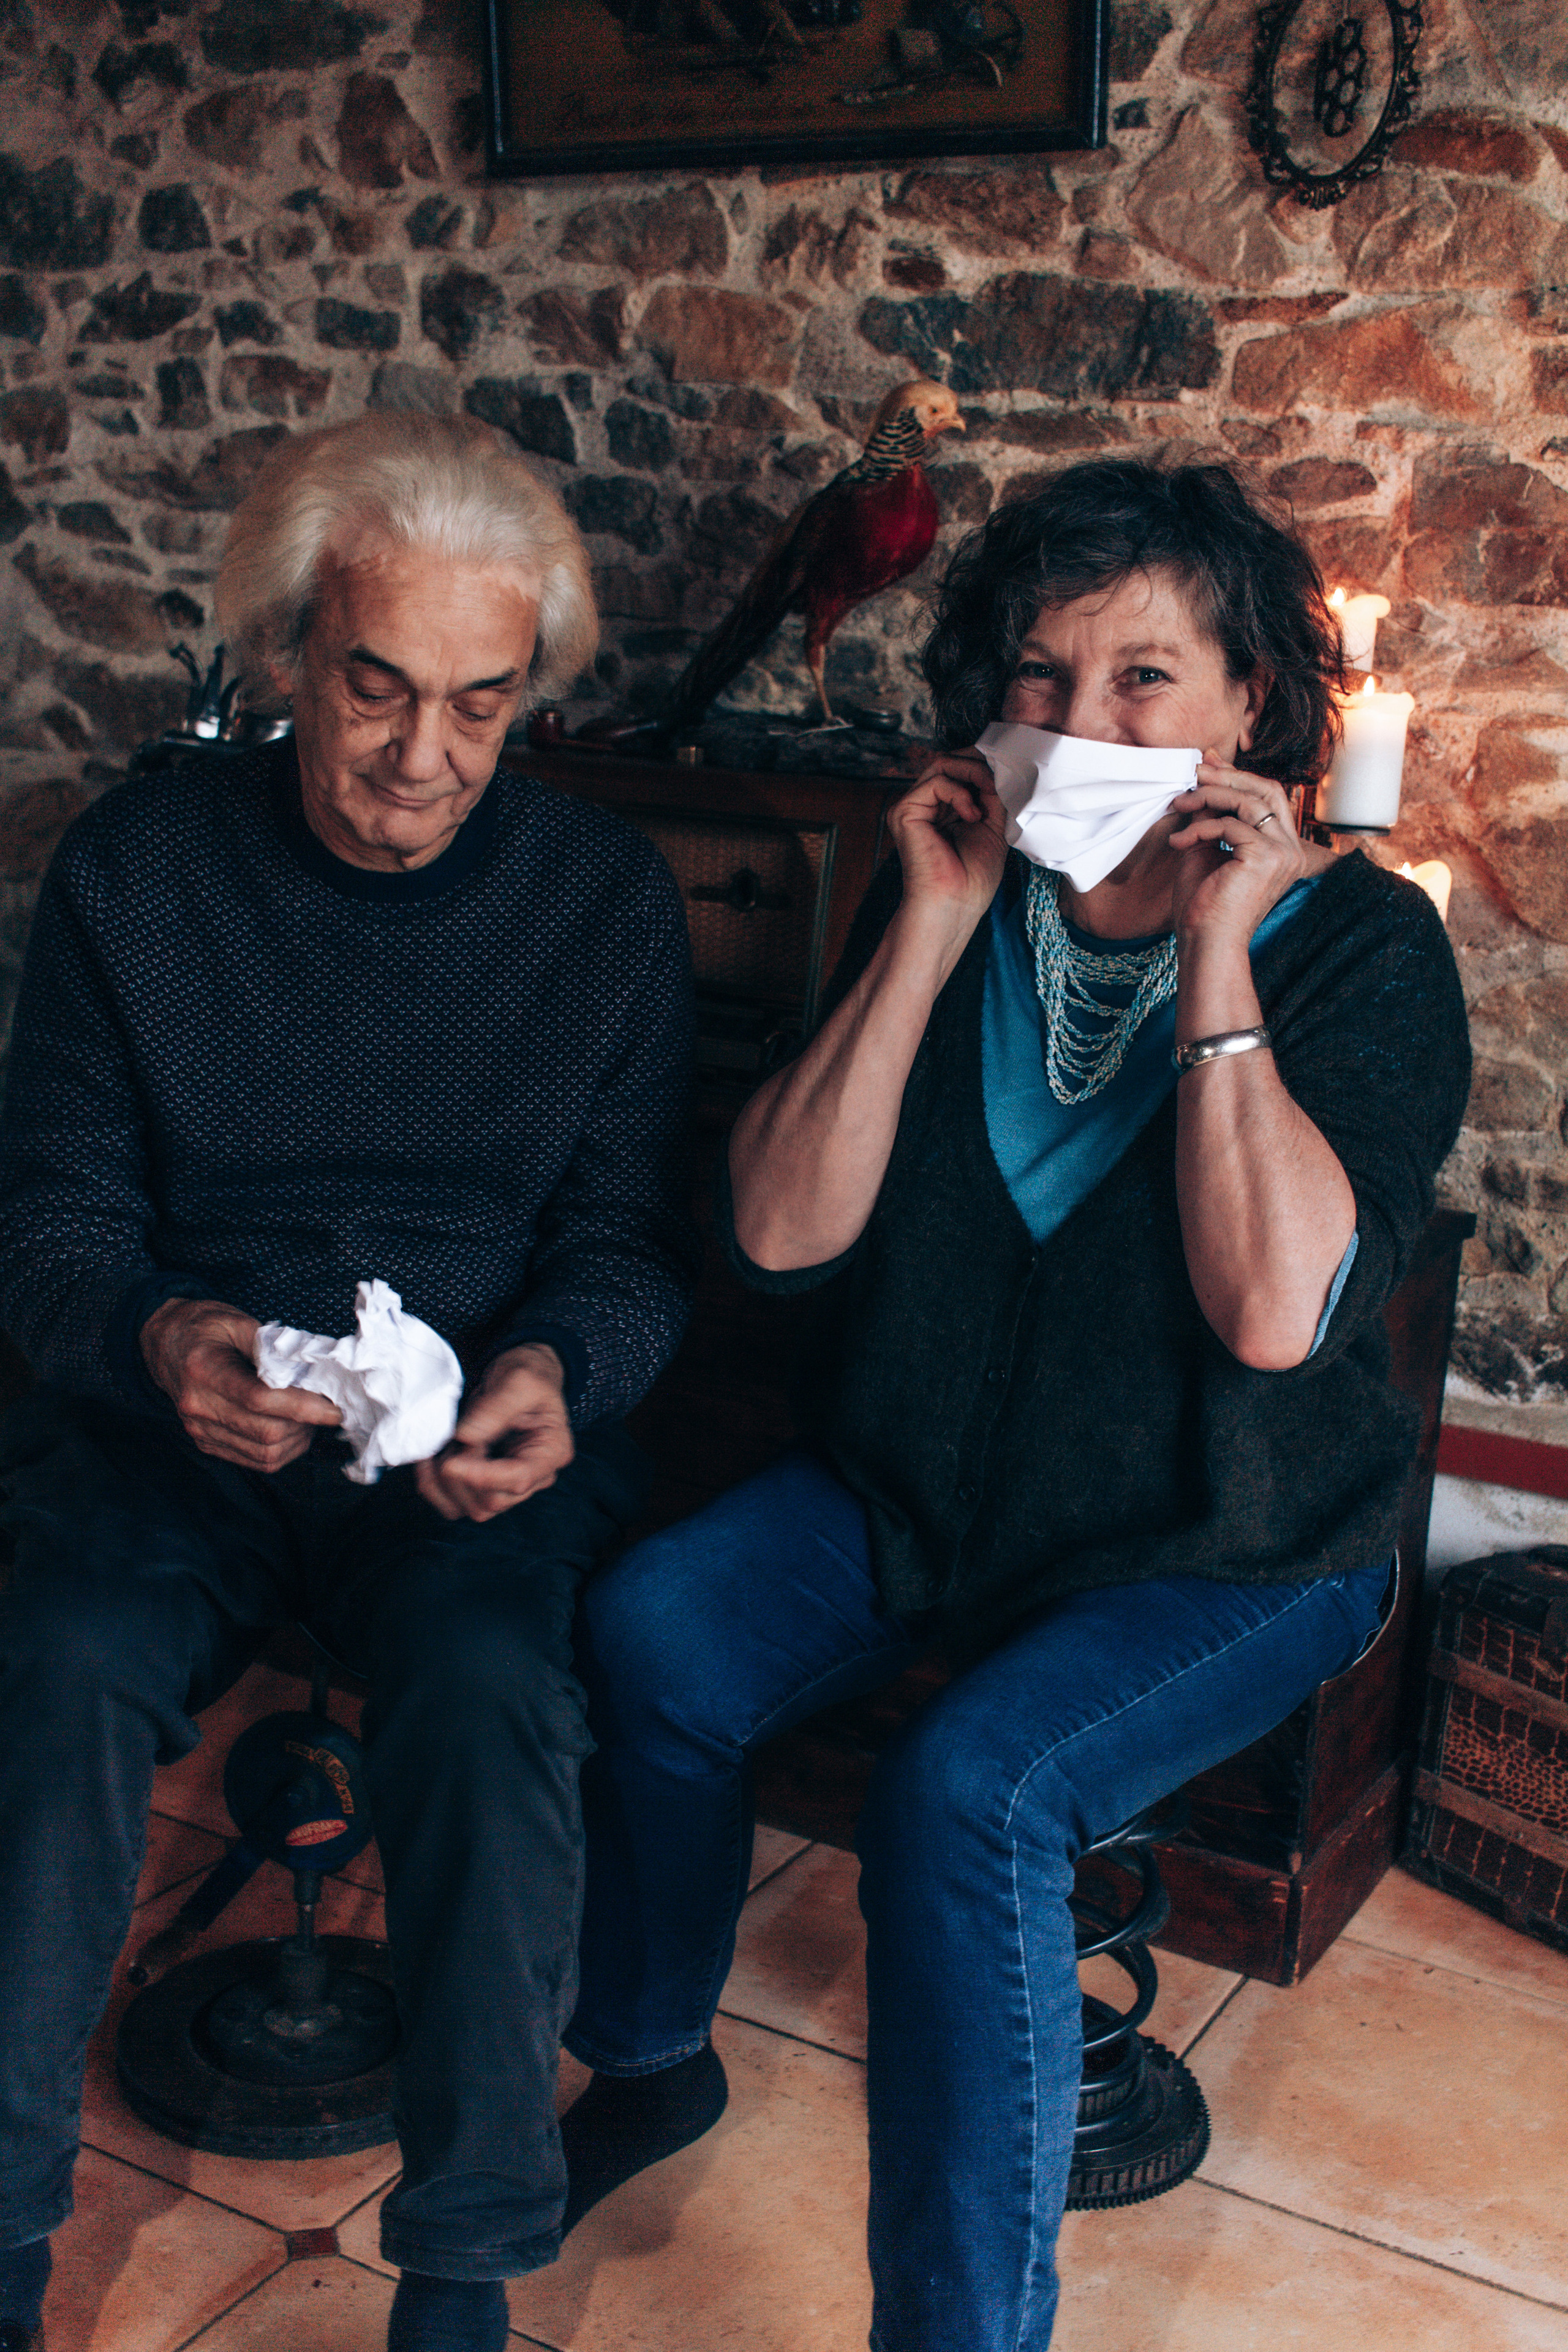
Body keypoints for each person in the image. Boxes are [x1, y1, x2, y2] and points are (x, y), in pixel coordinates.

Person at [556, 460, 1471, 2348]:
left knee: (966, 1789)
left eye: (1146, 680)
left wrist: (1223, 951)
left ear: (1248, 713)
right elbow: (779, 1236)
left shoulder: (1372, 955)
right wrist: (924, 927)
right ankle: (644, 2056)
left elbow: (1278, 1313)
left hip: (1224, 1545)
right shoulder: (958, 899)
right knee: (655, 1625)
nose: (1083, 724)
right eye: (1040, 679)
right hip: (925, 1498)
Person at [0, 413, 698, 2352]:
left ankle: (465, 2264)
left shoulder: (601, 906)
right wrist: (157, 1341)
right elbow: (48, 1225)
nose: (423, 760)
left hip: (453, 1455)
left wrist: (558, 1371)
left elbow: (629, 1254)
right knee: (54, 1662)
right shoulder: (140, 871)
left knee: (492, 1698)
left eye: (483, 707)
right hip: (182, 1426)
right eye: (377, 690)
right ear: (289, 656)